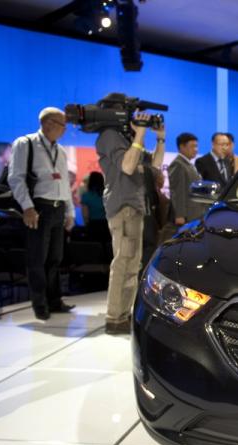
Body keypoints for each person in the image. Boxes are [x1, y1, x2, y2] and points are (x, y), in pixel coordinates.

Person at [95, 93, 165, 335]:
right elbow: (126, 166)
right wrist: (140, 134)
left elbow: (154, 165)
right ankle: (115, 318)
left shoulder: (125, 136)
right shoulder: (109, 135)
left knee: (132, 265)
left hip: (134, 205)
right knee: (123, 263)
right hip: (122, 206)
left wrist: (160, 139)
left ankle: (123, 315)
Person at [7, 107, 75, 320]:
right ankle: (40, 304)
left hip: (58, 208)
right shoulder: (25, 143)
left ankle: (55, 301)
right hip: (38, 207)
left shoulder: (61, 151)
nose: (65, 130)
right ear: (48, 124)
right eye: (62, 125)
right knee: (37, 258)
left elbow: (64, 182)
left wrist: (70, 212)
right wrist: (28, 207)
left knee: (55, 258)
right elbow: (15, 178)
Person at [163, 133, 204, 239]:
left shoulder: (188, 164)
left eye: (196, 146)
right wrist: (179, 215)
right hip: (187, 216)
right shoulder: (178, 164)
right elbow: (177, 191)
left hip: (194, 214)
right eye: (192, 146)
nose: (196, 149)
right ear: (182, 147)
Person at [80, 171, 110, 243]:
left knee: (94, 249)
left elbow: (85, 215)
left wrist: (86, 226)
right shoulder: (108, 195)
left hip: (93, 226)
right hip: (107, 225)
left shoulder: (86, 196)